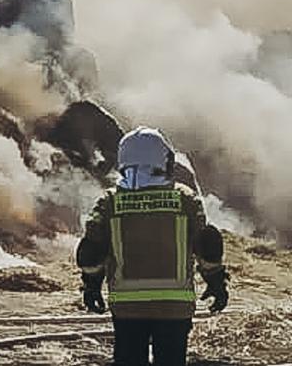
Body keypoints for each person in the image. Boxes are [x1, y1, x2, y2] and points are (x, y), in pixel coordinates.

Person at [76, 127, 227, 366]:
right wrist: (217, 282)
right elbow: (207, 247)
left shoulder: (109, 202)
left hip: (127, 307)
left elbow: (91, 253)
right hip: (175, 308)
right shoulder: (185, 199)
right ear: (161, 160)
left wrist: (92, 286)